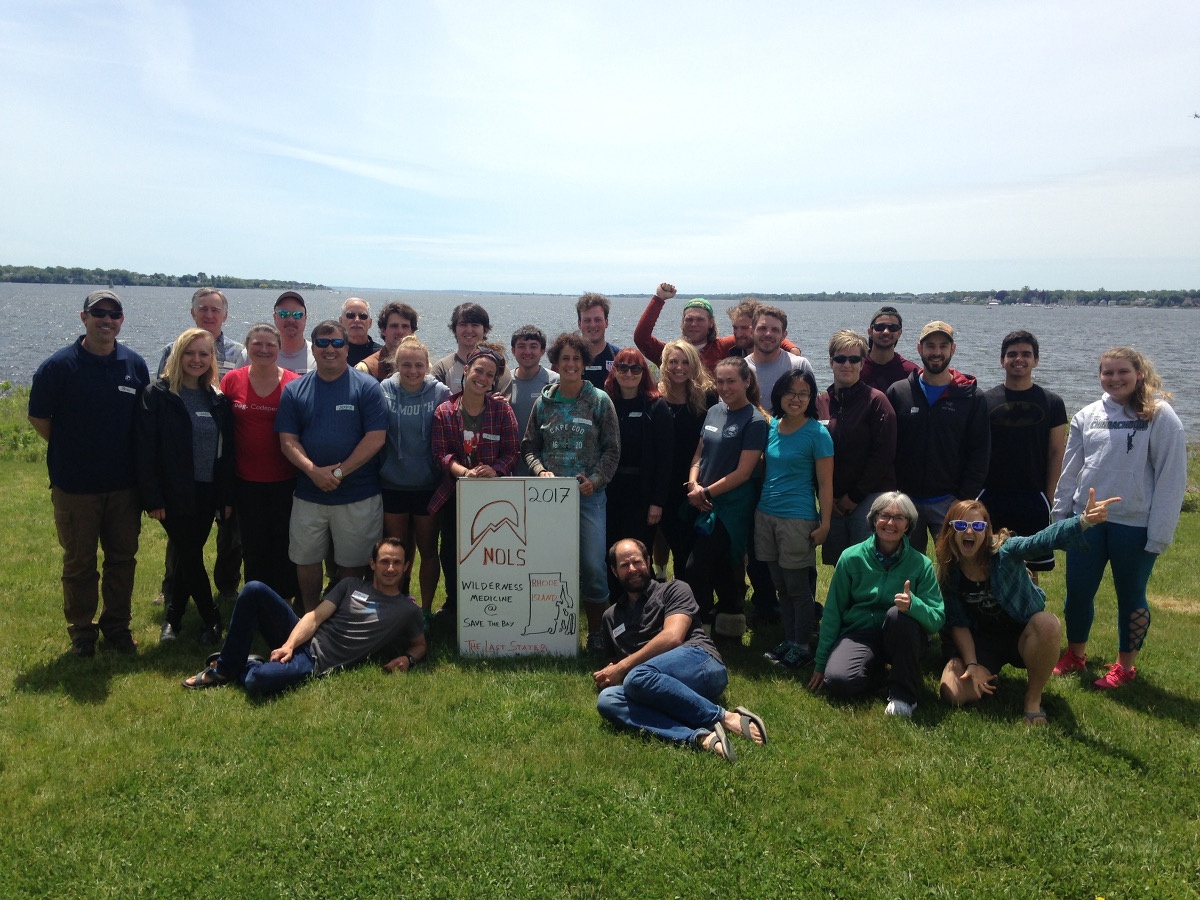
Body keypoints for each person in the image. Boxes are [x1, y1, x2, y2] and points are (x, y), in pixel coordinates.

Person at [1051, 347, 1187, 690]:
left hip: (1135, 525)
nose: (1115, 379)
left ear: (1139, 373)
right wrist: (1060, 519)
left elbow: (1172, 477)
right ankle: (1075, 654)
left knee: (1131, 596)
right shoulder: (1086, 415)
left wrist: (1160, 533)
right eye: (1107, 373)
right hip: (1088, 521)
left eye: (1122, 372)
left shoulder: (1159, 415)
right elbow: (1070, 472)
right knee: (1077, 594)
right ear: (1099, 376)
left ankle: (1125, 666)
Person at [28, 289, 150, 657]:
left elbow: (143, 421)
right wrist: (74, 448)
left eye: (114, 314)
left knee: (122, 558)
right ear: (84, 317)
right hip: (75, 486)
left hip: (124, 486)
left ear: (122, 321)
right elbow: (39, 418)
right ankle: (82, 631)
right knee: (80, 561)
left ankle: (117, 626)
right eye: (99, 313)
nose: (107, 320)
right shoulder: (59, 366)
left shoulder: (134, 365)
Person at [935, 494, 1117, 724]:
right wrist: (971, 664)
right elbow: (958, 622)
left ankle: (1033, 699)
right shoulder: (950, 570)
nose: (969, 532)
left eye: (977, 526)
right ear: (951, 530)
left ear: (986, 530)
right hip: (983, 641)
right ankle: (987, 673)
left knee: (1048, 624)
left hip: (1022, 634)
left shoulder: (1004, 551)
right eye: (961, 525)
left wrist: (1083, 521)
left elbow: (1041, 541)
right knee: (953, 694)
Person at [595, 539, 767, 763]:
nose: (633, 569)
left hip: (700, 663)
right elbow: (615, 666)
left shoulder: (674, 589)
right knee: (607, 699)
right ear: (614, 571)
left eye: (637, 562)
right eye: (624, 565)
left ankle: (726, 717)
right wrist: (610, 672)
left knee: (636, 676)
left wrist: (623, 667)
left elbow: (673, 637)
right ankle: (700, 737)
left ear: (648, 561)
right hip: (653, 685)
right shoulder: (611, 617)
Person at [182, 538, 426, 695]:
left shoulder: (407, 610)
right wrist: (290, 644)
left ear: (406, 567)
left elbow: (419, 645)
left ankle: (247, 662)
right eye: (384, 561)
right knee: (254, 589)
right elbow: (316, 617)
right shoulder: (351, 585)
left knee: (258, 680)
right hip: (302, 634)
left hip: (317, 661)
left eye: (397, 563)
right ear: (373, 564)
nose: (390, 568)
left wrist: (408, 659)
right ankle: (225, 668)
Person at [276, 320, 388, 612]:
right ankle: (310, 615)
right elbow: (287, 440)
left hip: (357, 494)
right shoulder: (294, 390)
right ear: (313, 348)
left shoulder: (367, 387)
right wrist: (313, 471)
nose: (330, 349)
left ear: (346, 348)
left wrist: (338, 473)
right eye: (323, 343)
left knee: (353, 563)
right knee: (306, 557)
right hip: (308, 494)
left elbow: (375, 438)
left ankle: (342, 618)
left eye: (337, 343)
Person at [523, 333, 621, 653]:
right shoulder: (543, 402)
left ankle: (596, 633)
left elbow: (612, 449)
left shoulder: (600, 401)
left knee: (593, 565)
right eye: (565, 358)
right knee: (549, 565)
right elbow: (529, 448)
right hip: (550, 501)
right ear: (556, 362)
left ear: (584, 363)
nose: (571, 364)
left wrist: (596, 479)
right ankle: (551, 630)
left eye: (577, 359)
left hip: (589, 496)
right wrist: (540, 471)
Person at [807, 492, 945, 718]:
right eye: (884, 515)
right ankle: (881, 674)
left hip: (902, 635)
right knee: (839, 682)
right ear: (873, 519)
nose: (890, 523)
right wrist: (821, 662)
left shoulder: (922, 564)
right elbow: (833, 612)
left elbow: (937, 620)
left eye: (899, 518)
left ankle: (903, 696)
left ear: (908, 525)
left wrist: (914, 606)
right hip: (860, 633)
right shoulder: (851, 558)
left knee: (897, 615)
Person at [137, 328, 234, 644]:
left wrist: (225, 496)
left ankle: (173, 619)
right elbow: (145, 450)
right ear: (177, 355)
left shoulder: (217, 399)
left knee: (186, 554)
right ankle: (211, 619)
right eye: (190, 353)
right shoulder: (159, 394)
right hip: (173, 492)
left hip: (207, 491)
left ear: (211, 360)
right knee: (189, 554)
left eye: (204, 354)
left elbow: (226, 454)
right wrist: (152, 496)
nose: (197, 359)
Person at [155, 287, 244, 607]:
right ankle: (171, 587)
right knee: (181, 535)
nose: (209, 315)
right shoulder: (172, 350)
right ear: (192, 312)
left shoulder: (239, 353)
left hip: (222, 454)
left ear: (225, 315)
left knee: (230, 531)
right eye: (202, 308)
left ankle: (228, 586)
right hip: (182, 460)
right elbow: (163, 405)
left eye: (215, 310)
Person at [430, 345, 522, 622]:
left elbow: (512, 451)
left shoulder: (502, 411)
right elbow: (440, 455)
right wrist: (462, 472)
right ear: (467, 370)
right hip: (454, 495)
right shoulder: (444, 411)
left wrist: (495, 470)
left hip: (493, 497)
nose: (482, 377)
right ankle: (455, 602)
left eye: (490, 375)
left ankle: (490, 601)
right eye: (478, 370)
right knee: (451, 551)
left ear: (494, 380)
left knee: (490, 551)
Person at [886, 321, 990, 553]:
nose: (936, 352)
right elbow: (887, 449)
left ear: (953, 350)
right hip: (905, 500)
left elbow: (980, 453)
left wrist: (962, 499)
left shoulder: (971, 397)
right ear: (919, 348)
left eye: (943, 346)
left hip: (949, 501)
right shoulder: (899, 392)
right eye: (930, 345)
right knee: (905, 566)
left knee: (954, 566)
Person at [683, 357, 767, 639]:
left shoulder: (754, 420)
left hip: (732, 505)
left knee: (697, 566)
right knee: (716, 563)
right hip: (703, 498)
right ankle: (726, 621)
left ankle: (700, 624)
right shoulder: (714, 411)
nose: (725, 387)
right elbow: (699, 454)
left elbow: (744, 473)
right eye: (720, 381)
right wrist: (694, 483)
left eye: (731, 381)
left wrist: (704, 492)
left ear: (746, 382)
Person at [757, 369, 833, 670]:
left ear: (811, 397)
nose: (796, 399)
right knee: (781, 586)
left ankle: (802, 644)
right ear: (779, 395)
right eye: (790, 392)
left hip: (798, 519)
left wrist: (825, 523)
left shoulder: (817, 433)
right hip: (766, 514)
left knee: (798, 586)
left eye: (803, 393)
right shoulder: (773, 425)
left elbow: (826, 484)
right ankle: (789, 639)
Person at [219, 322, 300, 601]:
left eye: (270, 345)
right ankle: (256, 599)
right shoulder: (232, 381)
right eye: (257, 344)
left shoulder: (293, 382)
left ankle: (285, 599)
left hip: (285, 479)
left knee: (284, 542)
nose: (264, 350)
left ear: (279, 348)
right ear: (247, 347)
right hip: (245, 480)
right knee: (252, 544)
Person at [980, 330, 1068, 582]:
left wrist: (1049, 496)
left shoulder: (1052, 403)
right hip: (992, 495)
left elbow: (1055, 452)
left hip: (1033, 497)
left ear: (1036, 360)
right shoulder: (985, 401)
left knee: (1031, 568)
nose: (1019, 359)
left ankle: (1030, 617)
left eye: (1026, 354)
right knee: (988, 561)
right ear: (1002, 360)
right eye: (1012, 354)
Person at [380, 335, 452, 620]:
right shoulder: (384, 389)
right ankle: (397, 605)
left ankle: (424, 612)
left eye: (419, 365)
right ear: (396, 365)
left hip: (428, 486)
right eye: (406, 365)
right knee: (397, 552)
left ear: (427, 366)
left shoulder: (440, 392)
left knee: (428, 550)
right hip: (392, 483)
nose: (412, 370)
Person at [816, 330, 897, 566]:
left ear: (863, 363)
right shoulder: (821, 401)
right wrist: (829, 496)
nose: (847, 365)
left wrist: (853, 497)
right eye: (840, 359)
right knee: (839, 562)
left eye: (854, 359)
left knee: (865, 560)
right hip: (833, 496)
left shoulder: (877, 401)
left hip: (869, 494)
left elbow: (884, 454)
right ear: (831, 362)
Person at [603, 348, 672, 598]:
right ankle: (615, 607)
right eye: (623, 368)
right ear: (615, 371)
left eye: (635, 368)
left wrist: (657, 502)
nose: (629, 373)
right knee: (611, 552)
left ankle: (646, 605)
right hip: (610, 490)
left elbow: (666, 460)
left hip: (642, 494)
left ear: (644, 373)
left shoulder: (657, 407)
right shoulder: (606, 403)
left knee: (638, 555)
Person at [655, 340, 716, 581]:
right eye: (673, 362)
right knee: (674, 543)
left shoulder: (707, 397)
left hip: (696, 481)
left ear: (694, 366)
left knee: (693, 546)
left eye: (685, 362)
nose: (679, 367)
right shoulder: (655, 396)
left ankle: (693, 601)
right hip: (664, 483)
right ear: (664, 365)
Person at [634, 283, 797, 373]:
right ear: (683, 322)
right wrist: (659, 299)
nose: (694, 324)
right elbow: (641, 338)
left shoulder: (723, 347)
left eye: (700, 319)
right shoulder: (672, 353)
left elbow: (758, 336)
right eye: (689, 319)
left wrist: (791, 348)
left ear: (711, 322)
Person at [504, 325, 558, 477]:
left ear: (543, 351)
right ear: (513, 350)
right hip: (511, 468)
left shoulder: (554, 382)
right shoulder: (503, 381)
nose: (527, 352)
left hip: (545, 469)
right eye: (521, 346)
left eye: (533, 347)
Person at [431, 302, 514, 397]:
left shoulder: (499, 369)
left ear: (486, 330)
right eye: (463, 325)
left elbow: (503, 407)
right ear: (454, 329)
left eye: (475, 325)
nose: (469, 330)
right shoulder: (441, 369)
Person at [744, 305, 814, 401]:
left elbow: (813, 407)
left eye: (775, 330)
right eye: (762, 328)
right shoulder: (741, 369)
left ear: (783, 335)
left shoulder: (800, 365)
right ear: (752, 332)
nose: (768, 334)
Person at [860, 306, 918, 393]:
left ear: (899, 333)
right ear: (870, 332)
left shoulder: (911, 372)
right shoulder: (856, 368)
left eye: (892, 328)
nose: (886, 332)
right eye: (880, 327)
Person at [357, 301, 418, 381]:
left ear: (412, 331)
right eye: (394, 326)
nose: (400, 331)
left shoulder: (424, 368)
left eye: (405, 326)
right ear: (383, 330)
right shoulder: (365, 369)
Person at [576, 293, 622, 388]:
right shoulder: (567, 359)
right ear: (579, 324)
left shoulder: (619, 358)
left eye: (597, 320)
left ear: (606, 322)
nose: (592, 325)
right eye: (587, 320)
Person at [268, 290, 315, 374]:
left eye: (297, 315)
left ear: (305, 319)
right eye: (284, 314)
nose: (291, 320)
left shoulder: (318, 356)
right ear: (275, 317)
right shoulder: (255, 354)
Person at [340, 297, 382, 367]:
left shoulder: (381, 355)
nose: (357, 320)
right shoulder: (334, 352)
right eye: (350, 315)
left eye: (363, 316)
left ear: (370, 322)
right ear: (341, 321)